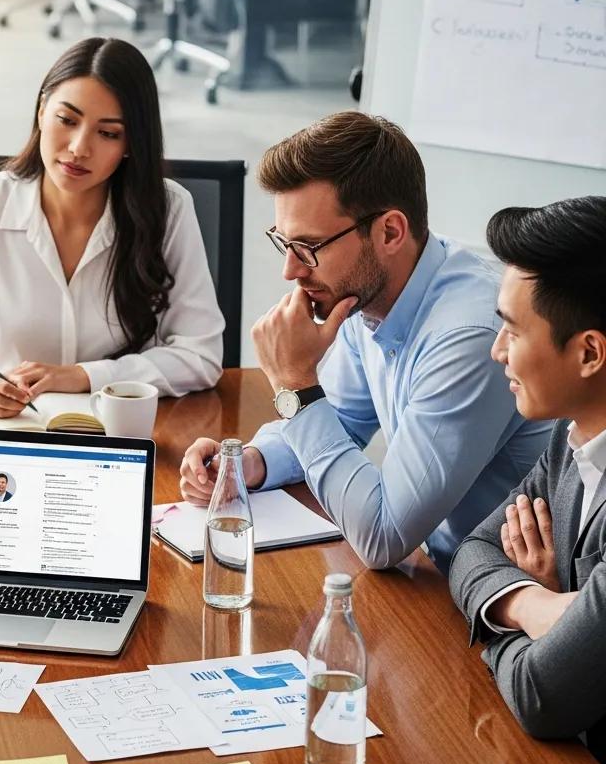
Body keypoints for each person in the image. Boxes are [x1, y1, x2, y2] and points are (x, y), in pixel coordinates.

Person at [179, 112, 551, 574]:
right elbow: (341, 422)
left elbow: (382, 536)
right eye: (285, 244)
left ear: (390, 232)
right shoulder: (366, 295)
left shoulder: (469, 337)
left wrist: (294, 384)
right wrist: (250, 463)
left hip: (490, 596)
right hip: (436, 574)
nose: (291, 272)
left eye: (310, 247)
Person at [0, 37, 224, 416]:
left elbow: (201, 356)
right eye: (67, 120)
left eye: (108, 133)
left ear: (131, 144)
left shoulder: (168, 209)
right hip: (16, 431)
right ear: (41, 112)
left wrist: (85, 376)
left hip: (126, 434)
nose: (78, 148)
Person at [449, 197, 606, 764]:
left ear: (589, 352)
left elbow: (544, 696)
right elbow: (476, 549)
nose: (497, 353)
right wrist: (537, 605)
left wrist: (504, 629)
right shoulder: (572, 439)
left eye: (513, 333)